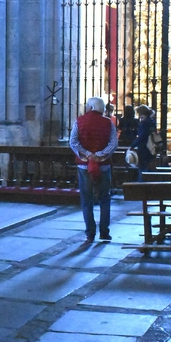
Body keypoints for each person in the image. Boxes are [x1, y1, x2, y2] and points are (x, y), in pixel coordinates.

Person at [69, 96, 118, 242]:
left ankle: (90, 233)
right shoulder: (108, 123)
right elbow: (113, 143)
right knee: (104, 198)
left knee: (87, 199)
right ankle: (104, 232)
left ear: (90, 107)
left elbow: (73, 142)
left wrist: (87, 154)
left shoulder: (79, 121)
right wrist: (100, 155)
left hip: (84, 165)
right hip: (103, 165)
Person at [129, 105, 159, 179]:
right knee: (149, 166)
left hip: (144, 147)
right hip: (151, 147)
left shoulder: (144, 123)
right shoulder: (152, 121)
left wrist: (132, 145)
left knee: (142, 168)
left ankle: (142, 184)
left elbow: (142, 136)